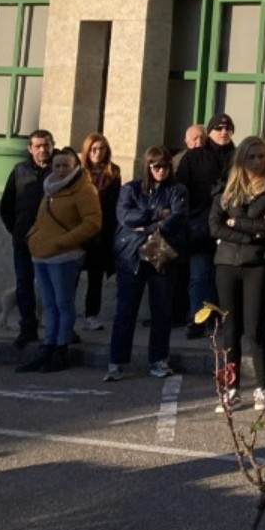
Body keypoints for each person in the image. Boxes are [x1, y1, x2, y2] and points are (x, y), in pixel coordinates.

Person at [209, 138, 265, 411]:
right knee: (231, 329)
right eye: (252, 156)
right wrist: (247, 232)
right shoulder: (227, 188)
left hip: (257, 264)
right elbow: (214, 227)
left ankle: (261, 387)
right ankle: (231, 388)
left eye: (261, 156)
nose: (257, 161)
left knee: (254, 330)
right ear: (242, 158)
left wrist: (237, 223)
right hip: (226, 264)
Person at [20, 147, 103, 374]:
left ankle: (61, 349)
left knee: (63, 304)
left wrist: (64, 241)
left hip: (65, 256)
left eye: (65, 165)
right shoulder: (49, 188)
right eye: (56, 166)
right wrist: (32, 236)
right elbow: (40, 218)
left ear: (75, 166)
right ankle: (46, 348)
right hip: (41, 253)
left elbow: (93, 222)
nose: (60, 170)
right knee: (48, 305)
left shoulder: (84, 189)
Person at [107, 151, 185, 380]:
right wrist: (156, 214)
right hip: (131, 255)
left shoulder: (177, 190)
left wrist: (148, 227)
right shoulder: (131, 189)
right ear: (147, 167)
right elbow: (125, 217)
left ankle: (159, 360)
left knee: (161, 311)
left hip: (160, 254)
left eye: (166, 166)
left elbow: (176, 219)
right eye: (156, 166)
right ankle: (116, 361)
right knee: (125, 311)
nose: (161, 171)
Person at [175, 114, 236, 338]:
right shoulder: (194, 156)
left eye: (228, 128)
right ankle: (197, 319)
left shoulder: (238, 157)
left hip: (230, 227)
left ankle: (219, 320)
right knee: (199, 275)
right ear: (209, 131)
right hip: (200, 226)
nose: (223, 132)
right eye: (218, 128)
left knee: (222, 278)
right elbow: (181, 189)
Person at [0, 130, 54, 348]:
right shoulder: (19, 171)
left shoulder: (61, 169)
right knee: (24, 284)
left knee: (52, 287)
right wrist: (16, 230)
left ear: (53, 146)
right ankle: (28, 327)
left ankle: (58, 329)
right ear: (30, 149)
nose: (42, 150)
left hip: (52, 240)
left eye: (46, 145)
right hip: (23, 239)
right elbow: (7, 205)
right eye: (38, 146)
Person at [77, 134, 121, 332]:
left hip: (102, 231)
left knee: (96, 277)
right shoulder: (78, 173)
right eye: (94, 149)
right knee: (72, 276)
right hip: (79, 230)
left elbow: (115, 204)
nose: (97, 153)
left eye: (101, 148)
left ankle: (91, 315)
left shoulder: (113, 172)